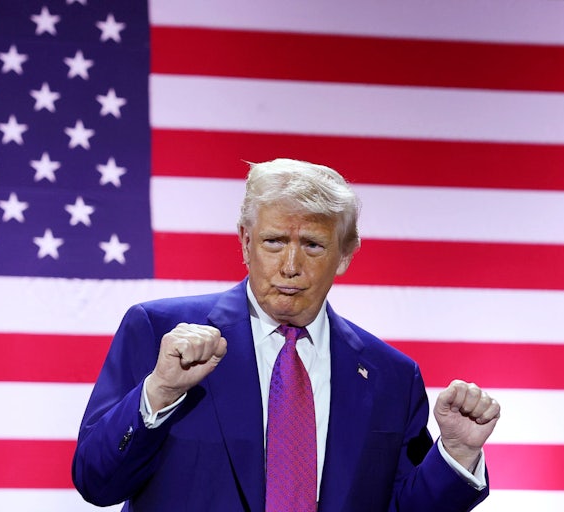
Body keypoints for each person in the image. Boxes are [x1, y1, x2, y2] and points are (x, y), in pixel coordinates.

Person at [72, 158, 501, 511]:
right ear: (245, 243)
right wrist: (159, 392)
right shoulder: (159, 333)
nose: (291, 265)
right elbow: (97, 481)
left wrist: (457, 454)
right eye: (274, 241)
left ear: (346, 254)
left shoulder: (391, 376)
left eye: (313, 245)